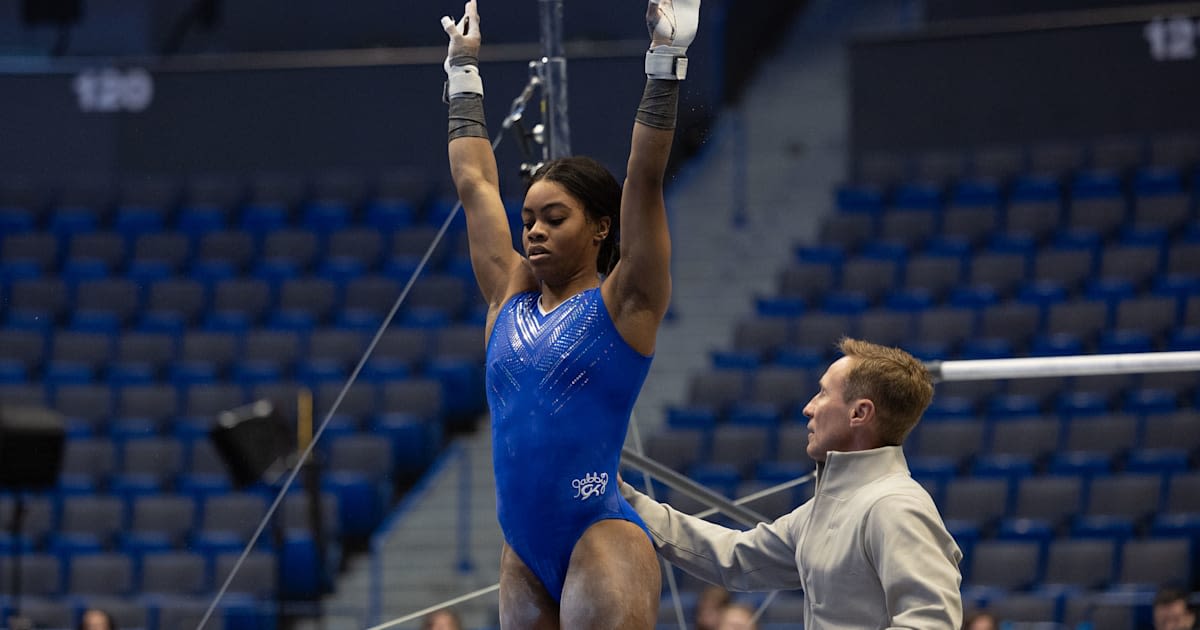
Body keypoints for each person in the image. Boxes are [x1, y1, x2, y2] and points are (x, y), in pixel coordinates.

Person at [441, 0, 700, 627]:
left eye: (555, 219)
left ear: (599, 228)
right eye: (527, 219)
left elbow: (644, 175)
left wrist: (664, 62)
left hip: (599, 536)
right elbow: (476, 184)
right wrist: (462, 75)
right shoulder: (506, 296)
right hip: (522, 551)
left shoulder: (626, 302)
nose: (532, 232)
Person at [620, 338, 964, 627]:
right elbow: (733, 557)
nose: (808, 408)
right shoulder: (825, 511)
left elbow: (932, 623)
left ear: (859, 413)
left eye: (823, 394)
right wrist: (622, 498)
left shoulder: (895, 506)